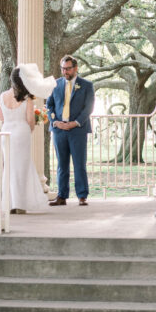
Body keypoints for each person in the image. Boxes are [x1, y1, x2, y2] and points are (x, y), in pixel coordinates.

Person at [0, 64, 55, 214]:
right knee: (22, 169)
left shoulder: (2, 97)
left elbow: (1, 118)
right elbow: (30, 120)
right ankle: (20, 204)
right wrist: (28, 129)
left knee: (9, 168)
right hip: (21, 133)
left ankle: (8, 204)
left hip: (6, 133)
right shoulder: (26, 98)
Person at [46, 55, 95, 207]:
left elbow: (88, 108)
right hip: (59, 130)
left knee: (79, 163)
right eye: (62, 69)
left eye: (67, 69)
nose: (64, 72)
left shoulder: (86, 85)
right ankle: (61, 196)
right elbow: (50, 105)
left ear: (75, 68)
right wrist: (55, 122)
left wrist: (75, 123)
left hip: (77, 130)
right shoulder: (55, 84)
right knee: (62, 164)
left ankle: (82, 196)